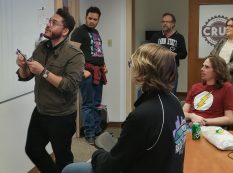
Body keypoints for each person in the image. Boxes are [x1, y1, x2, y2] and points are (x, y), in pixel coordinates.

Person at [62, 43, 187, 173]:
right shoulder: (174, 101)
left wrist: (96, 155)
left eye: (132, 64)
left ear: (144, 70)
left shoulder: (143, 115)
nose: (131, 68)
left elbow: (111, 167)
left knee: (70, 169)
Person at [16, 9, 84, 173]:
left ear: (65, 31)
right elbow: (26, 76)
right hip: (41, 111)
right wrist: (23, 67)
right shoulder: (41, 47)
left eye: (53, 23)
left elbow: (69, 85)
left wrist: (43, 72)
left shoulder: (75, 54)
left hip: (61, 116)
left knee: (63, 160)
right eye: (49, 21)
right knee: (32, 149)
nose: (48, 24)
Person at [71, 6, 108, 144]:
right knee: (88, 104)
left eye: (95, 19)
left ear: (98, 20)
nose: (92, 21)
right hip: (87, 72)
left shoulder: (96, 32)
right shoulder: (78, 32)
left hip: (98, 71)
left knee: (97, 103)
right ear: (86, 17)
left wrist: (104, 65)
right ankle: (89, 133)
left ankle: (97, 129)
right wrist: (82, 70)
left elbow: (98, 51)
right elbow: (73, 54)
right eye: (90, 18)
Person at [183, 55, 233, 127]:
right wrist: (192, 116)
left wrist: (202, 121)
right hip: (189, 126)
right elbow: (182, 113)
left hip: (211, 129)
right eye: (202, 66)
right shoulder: (195, 87)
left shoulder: (227, 88)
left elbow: (229, 119)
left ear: (217, 71)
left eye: (206, 67)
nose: (202, 69)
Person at [150, 12, 187, 94]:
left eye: (167, 22)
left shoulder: (179, 37)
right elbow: (149, 51)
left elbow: (184, 54)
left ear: (173, 24)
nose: (165, 24)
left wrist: (175, 55)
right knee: (155, 93)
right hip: (157, 70)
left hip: (172, 70)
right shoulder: (156, 36)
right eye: (163, 22)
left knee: (170, 94)